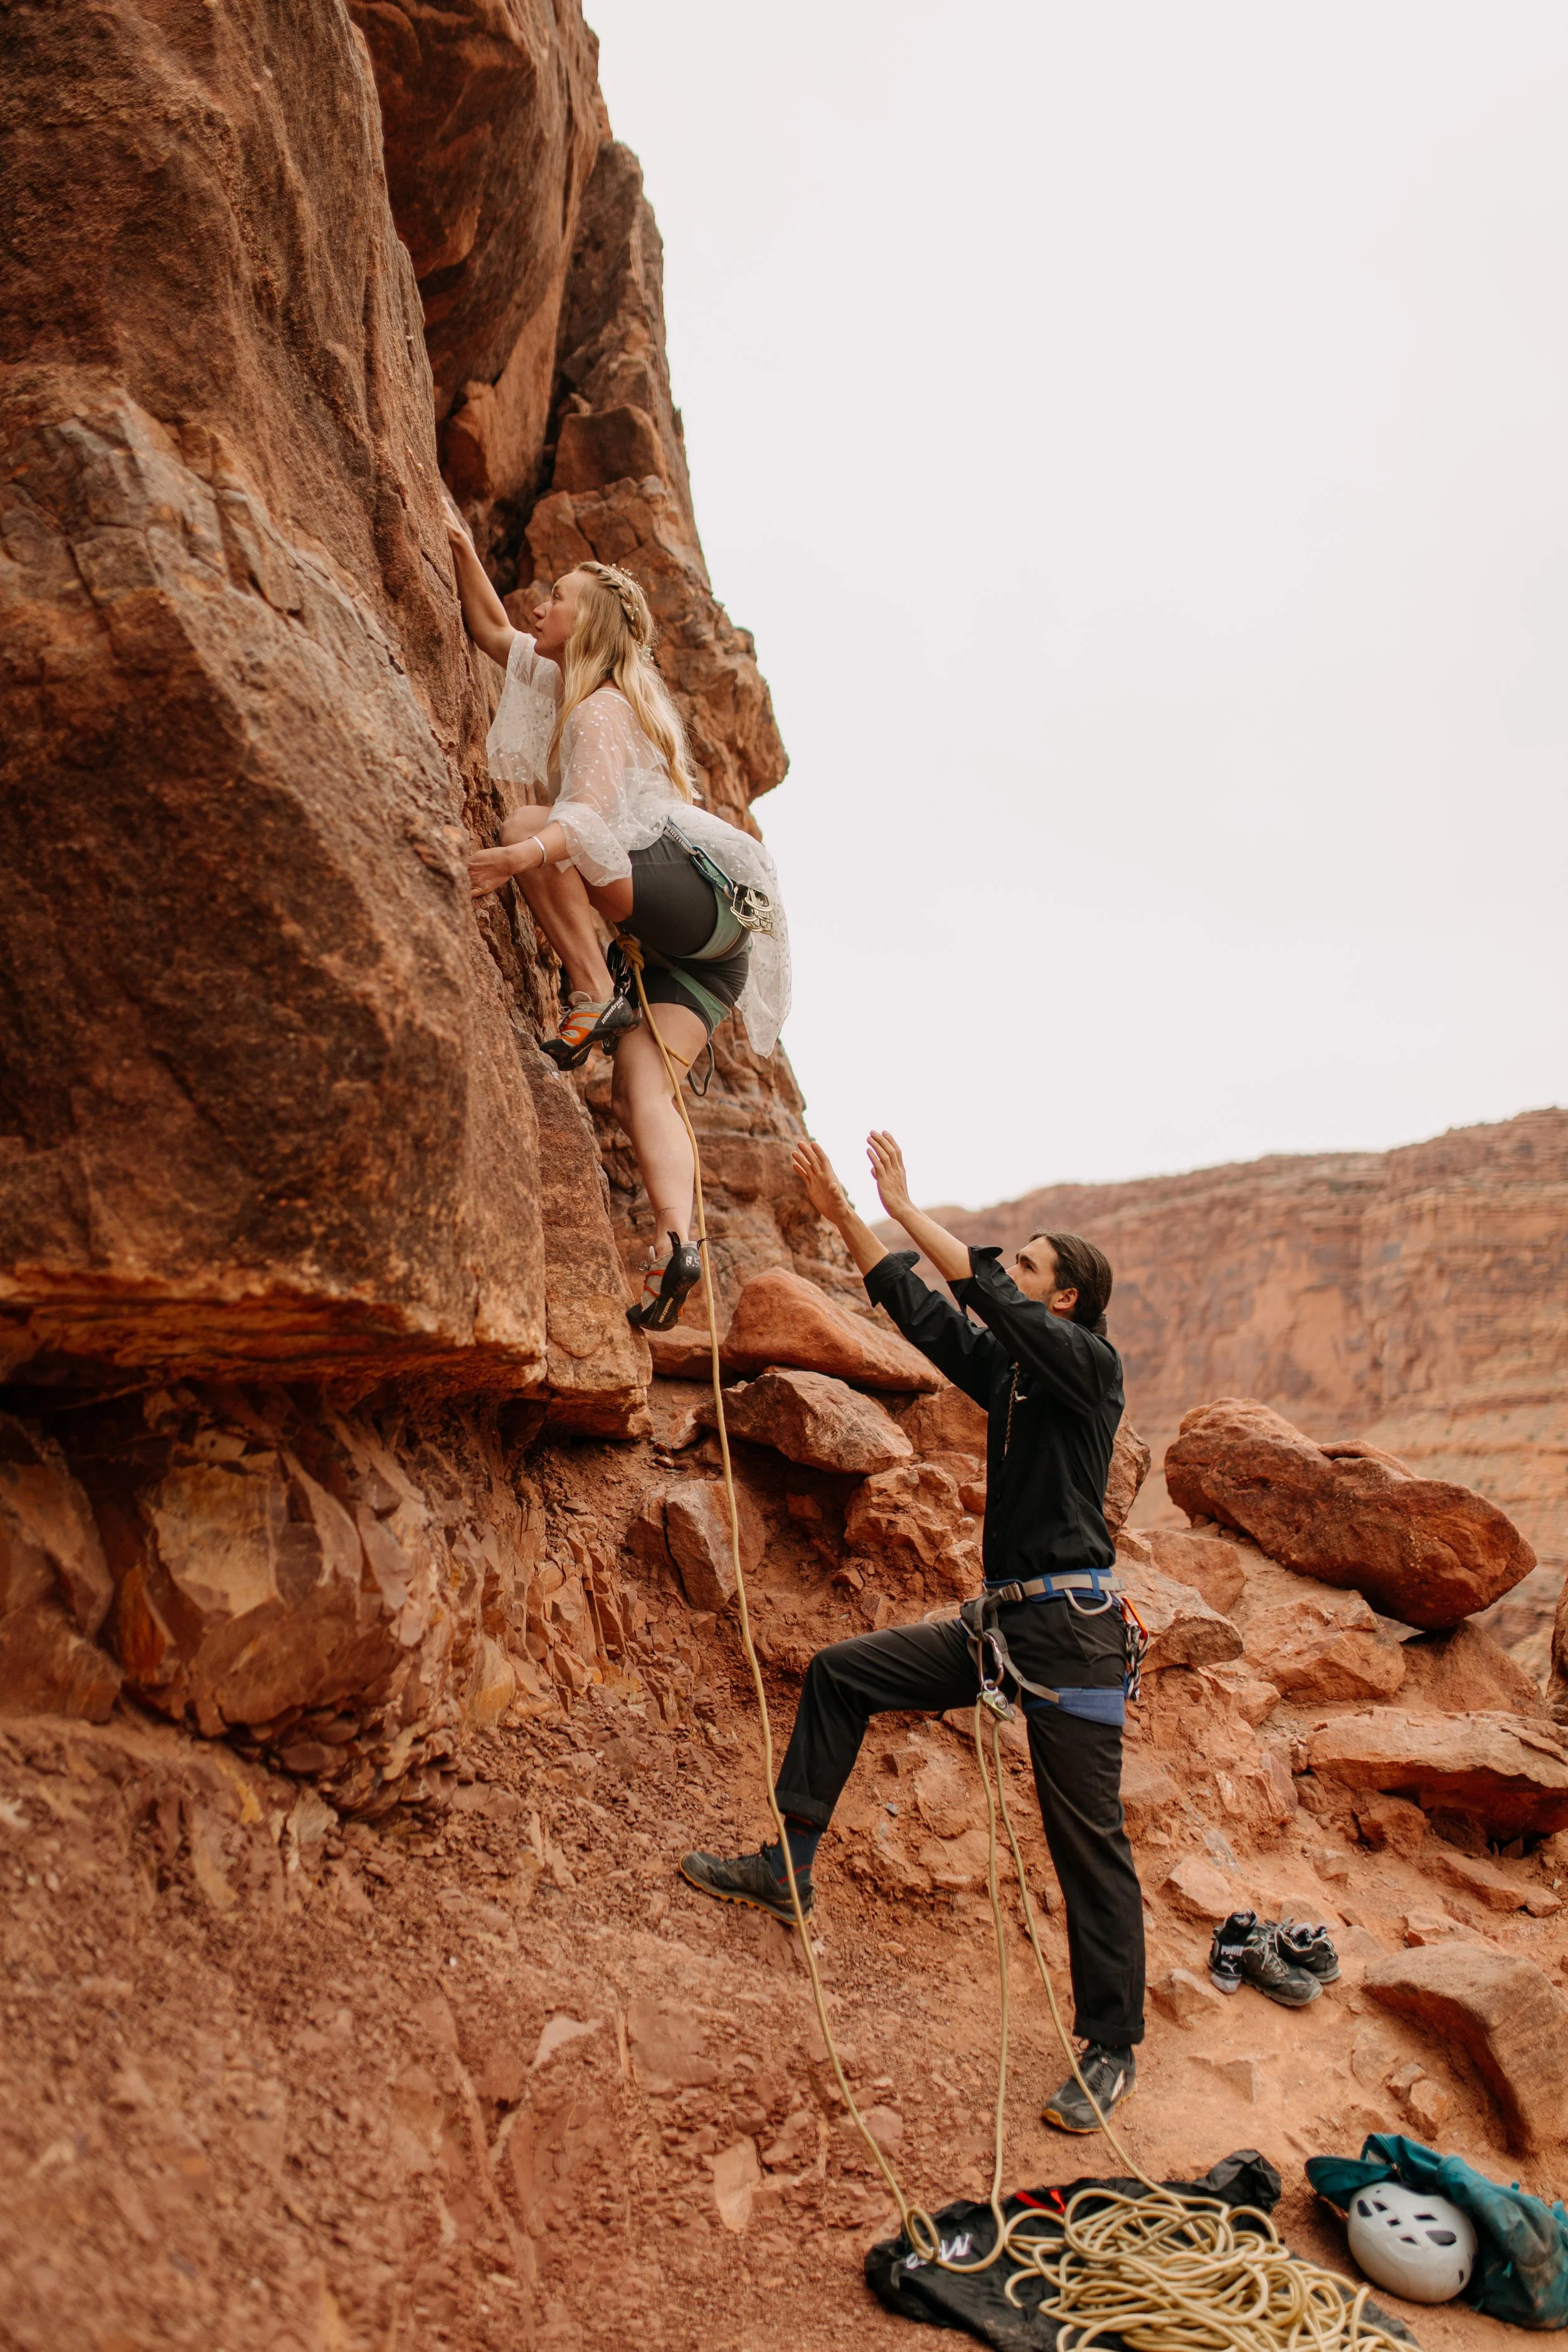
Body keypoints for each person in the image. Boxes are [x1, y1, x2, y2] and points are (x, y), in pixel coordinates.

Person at [679, 1130, 1146, 2136]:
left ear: (1063, 1297)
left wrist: (907, 1205)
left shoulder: (1087, 1369)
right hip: (1002, 1628)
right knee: (845, 1675)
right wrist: (849, 1213)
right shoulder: (1020, 1380)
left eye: (1025, 1262)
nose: (1009, 1271)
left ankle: (1111, 2047)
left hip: (1072, 1638)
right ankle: (788, 1868)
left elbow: (990, 1300)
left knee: (1085, 1840)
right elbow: (931, 1320)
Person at [445, 505, 789, 1330]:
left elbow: (591, 823)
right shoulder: (577, 685)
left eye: (556, 598)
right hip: (707, 956)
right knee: (645, 1085)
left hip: (687, 894)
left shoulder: (601, 708)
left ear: (589, 619)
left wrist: (515, 858)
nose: (540, 607)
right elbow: (493, 633)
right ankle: (677, 1244)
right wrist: (458, 544)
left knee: (537, 827)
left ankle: (593, 987)